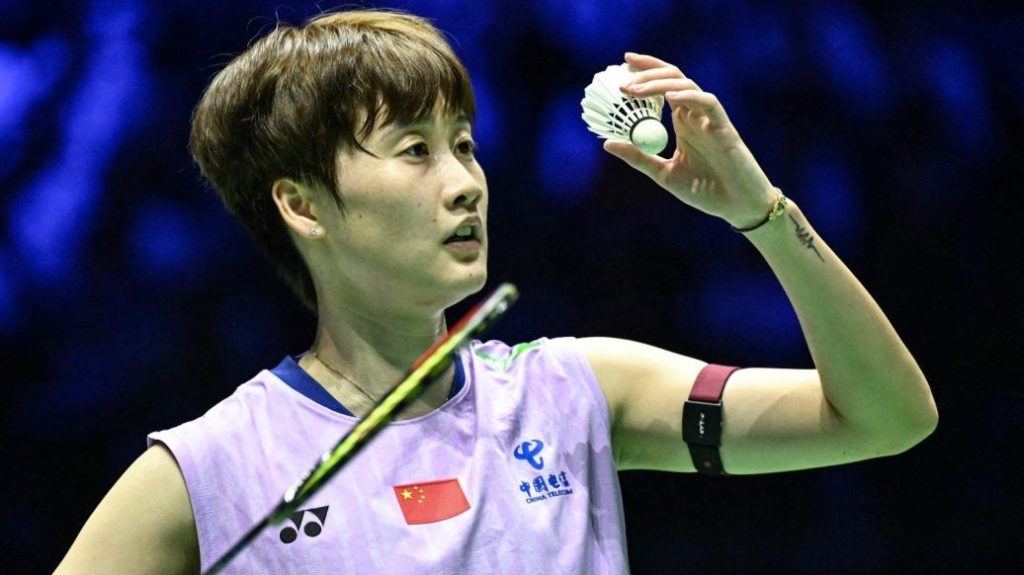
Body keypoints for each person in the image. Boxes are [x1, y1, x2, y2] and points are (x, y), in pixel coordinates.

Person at [54, 8, 937, 575]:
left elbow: (884, 417)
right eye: (414, 150)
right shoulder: (212, 469)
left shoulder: (580, 394)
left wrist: (763, 215)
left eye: (465, 145)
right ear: (303, 204)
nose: (465, 182)